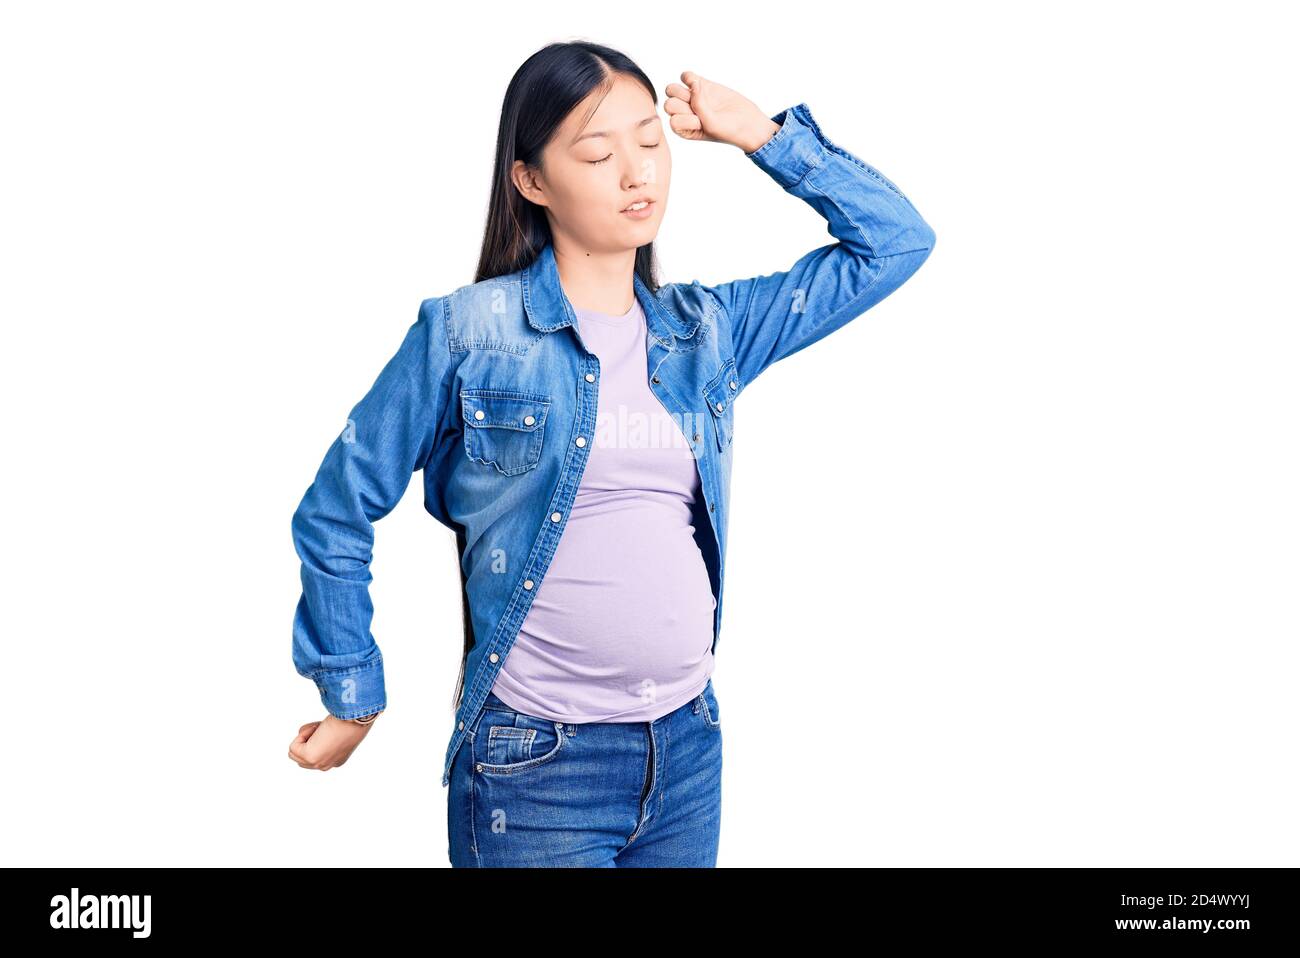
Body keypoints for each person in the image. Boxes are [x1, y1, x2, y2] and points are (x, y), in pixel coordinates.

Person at [287, 40, 936, 867]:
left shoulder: (707, 333)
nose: (638, 174)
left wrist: (765, 138)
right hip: (535, 769)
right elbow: (338, 506)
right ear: (531, 180)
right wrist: (354, 695)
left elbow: (896, 244)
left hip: (687, 750)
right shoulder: (467, 333)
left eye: (650, 142)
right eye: (598, 153)